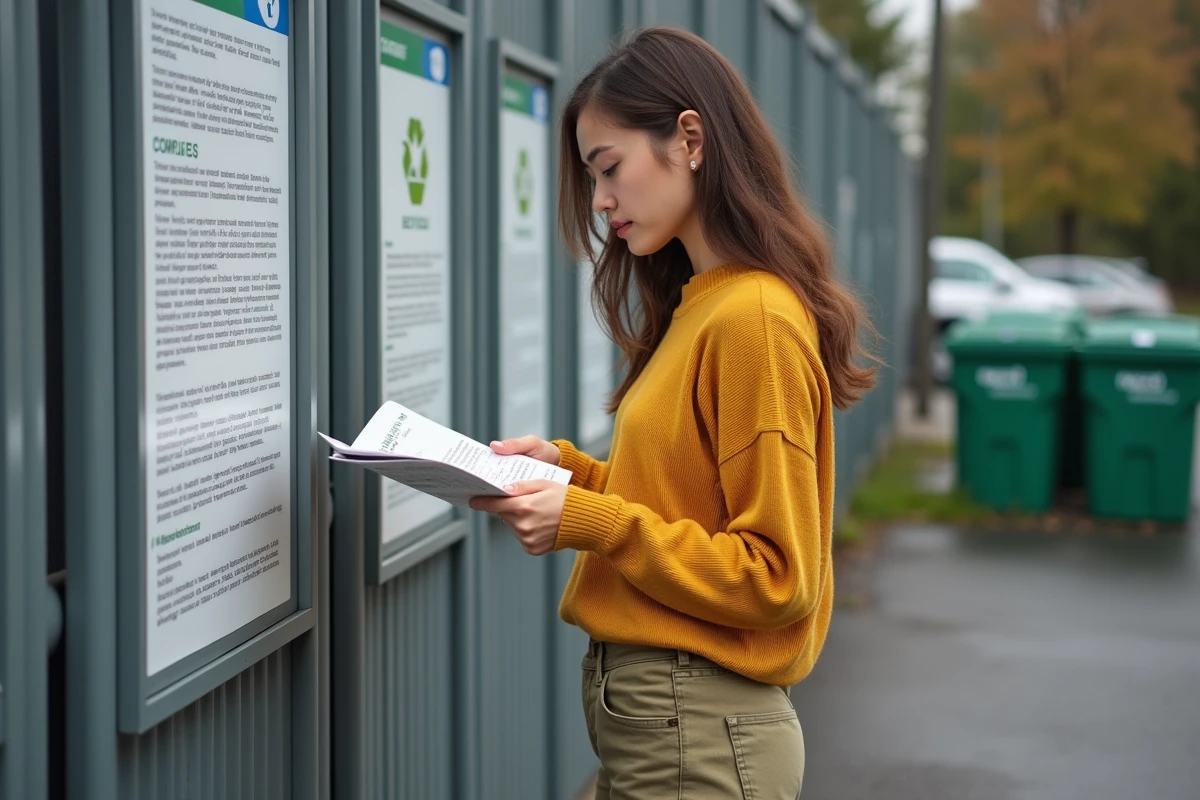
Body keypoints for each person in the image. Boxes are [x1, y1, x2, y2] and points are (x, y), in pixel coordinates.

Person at [469, 26, 875, 800]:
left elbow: (777, 576)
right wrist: (573, 475)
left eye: (609, 168)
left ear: (689, 137)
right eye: (593, 179)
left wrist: (589, 519)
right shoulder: (702, 306)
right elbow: (686, 496)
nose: (601, 203)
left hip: (697, 734)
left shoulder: (752, 318)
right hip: (668, 730)